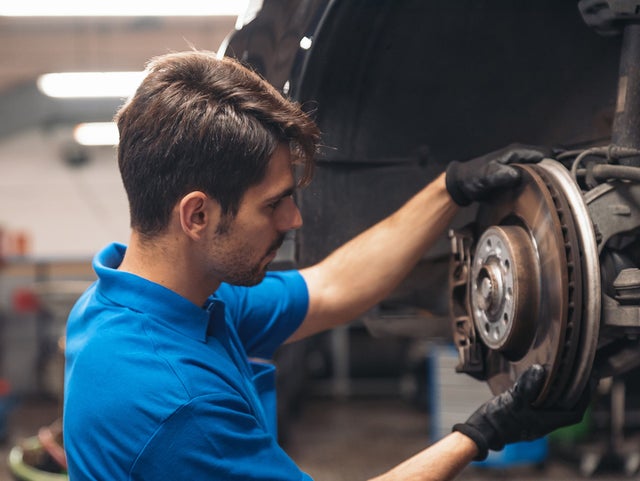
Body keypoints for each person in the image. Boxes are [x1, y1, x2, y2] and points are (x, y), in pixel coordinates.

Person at [63, 50, 586, 481]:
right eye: (273, 204)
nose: (293, 220)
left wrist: (449, 189)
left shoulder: (140, 302)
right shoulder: (177, 403)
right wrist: (479, 435)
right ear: (197, 214)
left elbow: (332, 287)